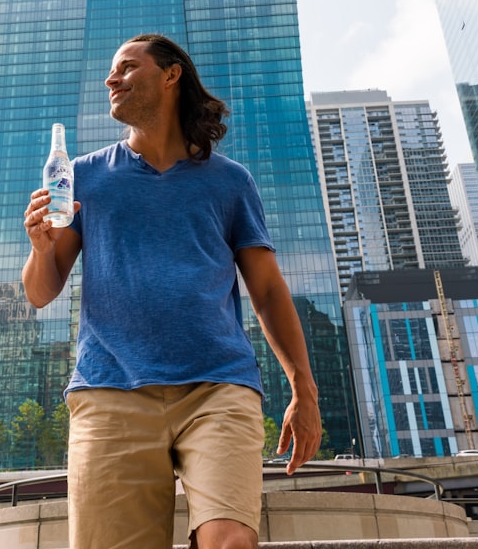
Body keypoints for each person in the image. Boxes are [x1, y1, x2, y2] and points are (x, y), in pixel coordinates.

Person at [22, 33, 321, 549]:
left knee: (230, 541)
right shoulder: (83, 177)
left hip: (217, 389)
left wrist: (304, 390)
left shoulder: (231, 182)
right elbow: (40, 293)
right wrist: (42, 249)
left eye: (126, 67)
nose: (110, 78)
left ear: (171, 74)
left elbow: (268, 291)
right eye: (111, 71)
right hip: (110, 392)